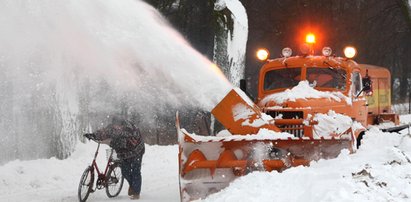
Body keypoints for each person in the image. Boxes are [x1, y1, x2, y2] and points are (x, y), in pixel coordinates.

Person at [85, 116, 145, 200]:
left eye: (118, 126)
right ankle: (133, 186)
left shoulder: (130, 130)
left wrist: (114, 142)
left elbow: (130, 144)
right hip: (124, 154)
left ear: (122, 125)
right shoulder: (112, 128)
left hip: (137, 151)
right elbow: (104, 132)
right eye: (114, 126)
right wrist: (94, 135)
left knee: (135, 172)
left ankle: (136, 193)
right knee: (125, 171)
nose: (116, 127)